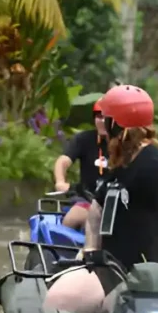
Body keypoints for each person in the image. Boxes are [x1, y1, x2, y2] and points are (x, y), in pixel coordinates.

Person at [44, 84, 158, 313]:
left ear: (115, 125)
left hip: (149, 277)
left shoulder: (154, 163)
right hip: (110, 269)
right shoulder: (122, 160)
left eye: (106, 120)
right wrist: (89, 253)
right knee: (57, 300)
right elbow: (96, 211)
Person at [53, 97, 110, 230]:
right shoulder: (84, 139)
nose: (102, 121)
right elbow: (63, 161)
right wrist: (60, 182)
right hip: (87, 197)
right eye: (98, 116)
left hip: (117, 202)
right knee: (75, 217)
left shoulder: (125, 144)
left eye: (106, 118)